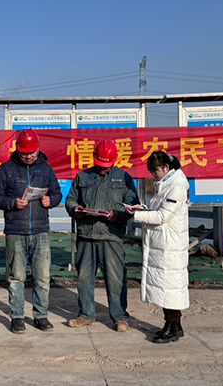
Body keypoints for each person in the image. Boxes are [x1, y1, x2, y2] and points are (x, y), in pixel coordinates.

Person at [0, 129, 62, 334]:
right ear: (17, 149)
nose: (28, 156)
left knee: (42, 277)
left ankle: (41, 315)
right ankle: (17, 316)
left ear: (37, 149)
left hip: (40, 231)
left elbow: (57, 193)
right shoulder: (6, 169)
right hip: (15, 231)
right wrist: (11, 203)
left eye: (32, 152)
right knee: (16, 277)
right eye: (24, 153)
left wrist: (51, 201)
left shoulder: (46, 170)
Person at [65, 139, 140, 332]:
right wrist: (75, 209)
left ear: (114, 160)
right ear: (94, 159)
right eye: (99, 164)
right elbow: (70, 199)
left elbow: (133, 205)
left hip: (111, 236)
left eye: (106, 165)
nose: (102, 168)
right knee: (84, 278)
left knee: (115, 279)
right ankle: (86, 314)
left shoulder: (124, 178)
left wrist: (119, 215)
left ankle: (120, 317)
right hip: (86, 236)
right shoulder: (82, 176)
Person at [124, 151, 189, 343]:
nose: (153, 175)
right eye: (151, 171)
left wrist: (136, 215)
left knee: (169, 288)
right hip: (163, 244)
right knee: (165, 286)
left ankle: (171, 326)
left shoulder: (176, 186)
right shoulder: (165, 185)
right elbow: (158, 210)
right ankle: (175, 325)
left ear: (166, 168)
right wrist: (142, 209)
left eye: (155, 171)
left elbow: (163, 216)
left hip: (170, 246)